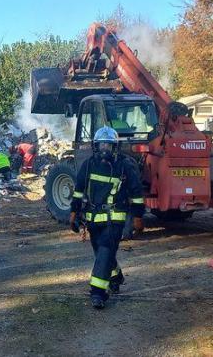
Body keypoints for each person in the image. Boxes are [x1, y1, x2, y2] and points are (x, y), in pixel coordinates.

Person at [69, 126, 145, 309]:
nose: (105, 149)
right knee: (101, 253)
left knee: (104, 250)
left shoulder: (125, 165)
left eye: (108, 146)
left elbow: (136, 192)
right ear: (95, 146)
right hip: (93, 218)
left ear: (115, 147)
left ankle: (98, 293)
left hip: (115, 218)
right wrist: (74, 212)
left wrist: (138, 217)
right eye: (101, 145)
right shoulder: (88, 164)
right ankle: (116, 276)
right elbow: (78, 191)